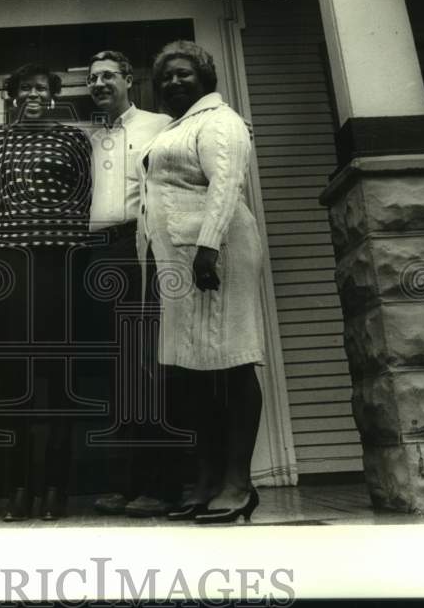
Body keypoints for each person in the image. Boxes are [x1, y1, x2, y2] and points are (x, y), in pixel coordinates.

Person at [137, 40, 265, 524]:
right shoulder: (178, 126)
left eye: (183, 73)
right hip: (178, 262)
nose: (173, 81)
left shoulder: (220, 121)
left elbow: (226, 183)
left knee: (231, 364)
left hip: (214, 257)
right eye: (166, 75)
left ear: (205, 78)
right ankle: (209, 478)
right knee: (192, 373)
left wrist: (209, 249)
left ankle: (238, 483)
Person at [0, 62, 92, 521]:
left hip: (61, 263)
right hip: (11, 263)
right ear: (11, 95)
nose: (33, 94)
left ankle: (55, 488)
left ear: (53, 96)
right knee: (16, 377)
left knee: (59, 377)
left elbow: (84, 201)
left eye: (42, 89)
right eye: (24, 87)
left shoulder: (73, 139)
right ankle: (19, 487)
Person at [80, 50, 181, 518]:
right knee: (118, 370)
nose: (99, 83)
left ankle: (162, 485)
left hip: (142, 250)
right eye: (92, 77)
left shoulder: (162, 124)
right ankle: (126, 482)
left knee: (148, 366)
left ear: (129, 77)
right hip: (102, 254)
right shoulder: (94, 139)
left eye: (107, 75)